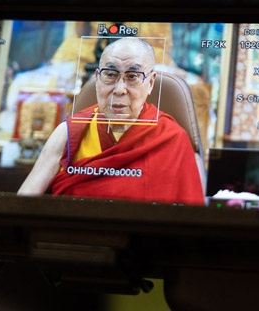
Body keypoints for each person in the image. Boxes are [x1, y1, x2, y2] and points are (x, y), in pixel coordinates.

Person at [17, 36, 205, 205]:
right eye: (110, 75)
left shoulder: (171, 138)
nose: (119, 89)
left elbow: (187, 218)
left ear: (150, 83)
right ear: (97, 78)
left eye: (132, 77)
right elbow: (23, 206)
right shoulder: (69, 132)